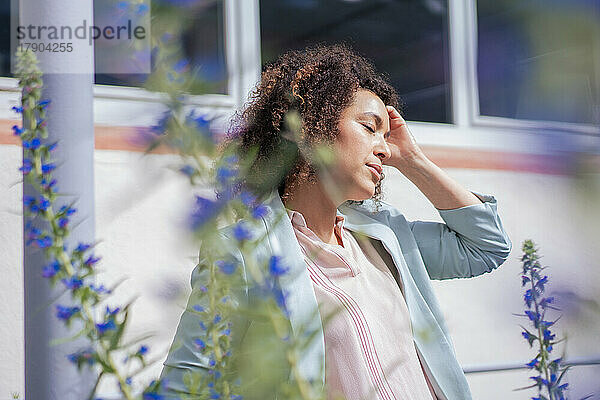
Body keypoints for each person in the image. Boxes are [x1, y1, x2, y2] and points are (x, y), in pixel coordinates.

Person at [159, 43, 512, 400]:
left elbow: (486, 246)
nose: (384, 149)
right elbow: (186, 383)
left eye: (386, 137)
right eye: (369, 127)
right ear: (310, 127)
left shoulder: (385, 237)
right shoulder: (244, 250)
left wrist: (414, 160)